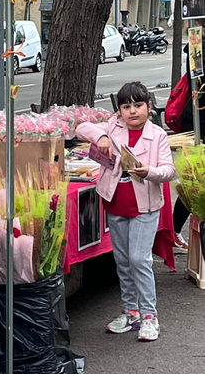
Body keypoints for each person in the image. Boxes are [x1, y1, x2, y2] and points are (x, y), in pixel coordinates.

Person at [76, 82, 176, 342]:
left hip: (145, 207)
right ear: (119, 110)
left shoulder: (158, 135)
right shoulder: (112, 126)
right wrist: (102, 138)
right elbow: (81, 127)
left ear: (149, 107)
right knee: (122, 261)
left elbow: (168, 170)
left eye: (138, 105)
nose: (133, 111)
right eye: (126, 106)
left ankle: (149, 316)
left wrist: (149, 172)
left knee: (139, 260)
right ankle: (130, 311)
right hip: (115, 204)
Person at [173, 19, 205, 253]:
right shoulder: (198, 45)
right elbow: (198, 82)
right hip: (199, 120)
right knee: (195, 182)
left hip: (197, 117)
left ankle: (173, 230)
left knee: (195, 182)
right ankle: (173, 230)